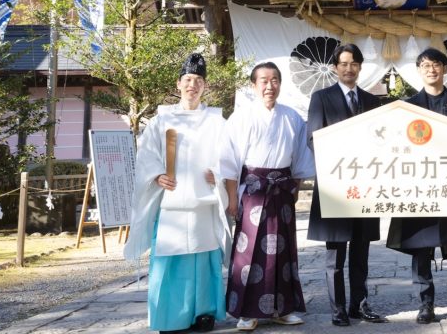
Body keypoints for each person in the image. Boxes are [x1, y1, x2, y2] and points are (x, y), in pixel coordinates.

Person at [124, 53, 230, 334]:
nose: (192, 85)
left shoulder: (216, 121)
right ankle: (169, 316)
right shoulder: (162, 119)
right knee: (169, 261)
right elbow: (146, 156)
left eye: (198, 80)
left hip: (203, 202)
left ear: (204, 86)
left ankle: (204, 313)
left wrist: (217, 173)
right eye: (187, 79)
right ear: (178, 84)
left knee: (204, 258)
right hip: (171, 204)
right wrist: (157, 175)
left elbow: (229, 157)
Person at [386, 47, 447, 324]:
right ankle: (426, 305)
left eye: (437, 65)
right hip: (419, 189)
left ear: (445, 69)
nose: (431, 69)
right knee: (420, 249)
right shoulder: (407, 107)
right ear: (418, 70)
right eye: (426, 65)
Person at [220, 62, 316, 332]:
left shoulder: (292, 117)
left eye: (275, 80)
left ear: (280, 84)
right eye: (263, 80)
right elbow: (229, 162)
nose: (269, 86)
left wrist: (293, 189)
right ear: (253, 85)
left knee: (283, 252)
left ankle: (282, 309)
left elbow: (301, 160)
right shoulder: (241, 117)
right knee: (247, 252)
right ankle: (246, 312)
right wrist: (231, 198)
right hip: (253, 189)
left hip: (282, 189)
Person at [306, 44, 386, 327]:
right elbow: (313, 139)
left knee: (361, 251)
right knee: (335, 254)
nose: (348, 68)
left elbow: (381, 143)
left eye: (353, 63)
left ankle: (359, 305)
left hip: (365, 189)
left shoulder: (372, 101)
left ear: (360, 67)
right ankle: (337, 308)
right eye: (343, 64)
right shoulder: (321, 98)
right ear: (335, 67)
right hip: (335, 188)